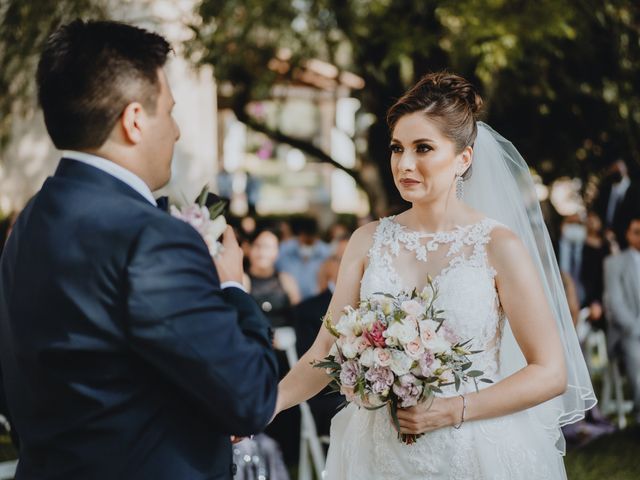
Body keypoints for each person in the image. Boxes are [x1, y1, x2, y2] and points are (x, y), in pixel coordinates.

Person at [273, 72, 595, 479]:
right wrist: (265, 404)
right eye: (397, 148)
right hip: (380, 453)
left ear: (464, 158)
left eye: (423, 148)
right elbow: (325, 353)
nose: (404, 163)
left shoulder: (497, 244)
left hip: (474, 451)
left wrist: (452, 409)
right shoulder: (366, 241)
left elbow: (550, 371)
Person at [0, 20, 278, 480]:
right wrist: (232, 284)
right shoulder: (152, 238)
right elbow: (251, 397)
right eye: (169, 112)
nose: (177, 132)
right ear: (134, 120)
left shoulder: (26, 226)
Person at [603, 213, 640, 423]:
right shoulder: (614, 263)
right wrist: (636, 328)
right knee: (637, 357)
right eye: (637, 232)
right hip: (628, 332)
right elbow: (615, 305)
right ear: (627, 234)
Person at [247, 228, 301, 328]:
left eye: (268, 247)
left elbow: (298, 316)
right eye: (258, 245)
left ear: (277, 252)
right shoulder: (242, 280)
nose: (262, 252)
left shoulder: (287, 281)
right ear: (248, 248)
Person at [277, 217, 331, 300]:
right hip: (290, 303)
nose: (307, 243)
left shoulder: (326, 253)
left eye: (310, 241)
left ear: (317, 237)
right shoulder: (285, 250)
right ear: (299, 235)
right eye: (304, 239)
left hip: (316, 303)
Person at [593, 159, 640, 249]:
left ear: (625, 171)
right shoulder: (605, 190)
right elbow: (599, 213)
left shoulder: (636, 191)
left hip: (628, 242)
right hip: (605, 240)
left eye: (618, 170)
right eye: (612, 171)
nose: (614, 173)